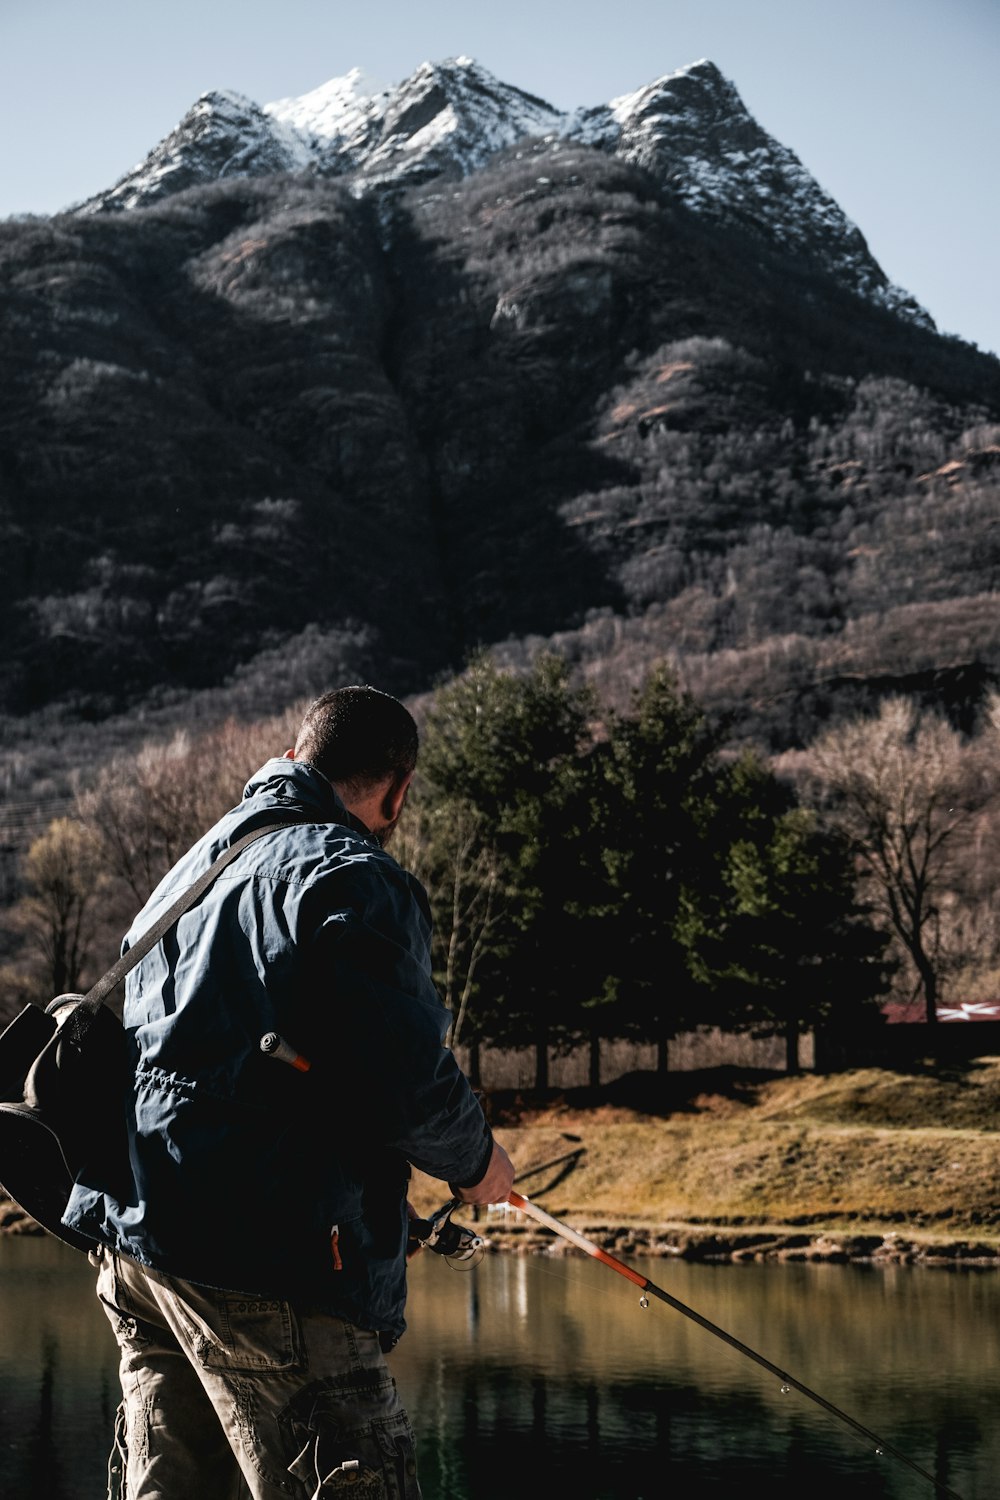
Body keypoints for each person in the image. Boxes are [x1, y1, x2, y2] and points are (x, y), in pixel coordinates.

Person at [64, 684, 515, 1499]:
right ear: (398, 790)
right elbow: (407, 1082)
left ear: (296, 755)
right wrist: (477, 1162)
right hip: (270, 1262)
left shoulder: (199, 862)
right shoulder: (354, 876)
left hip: (137, 1244)